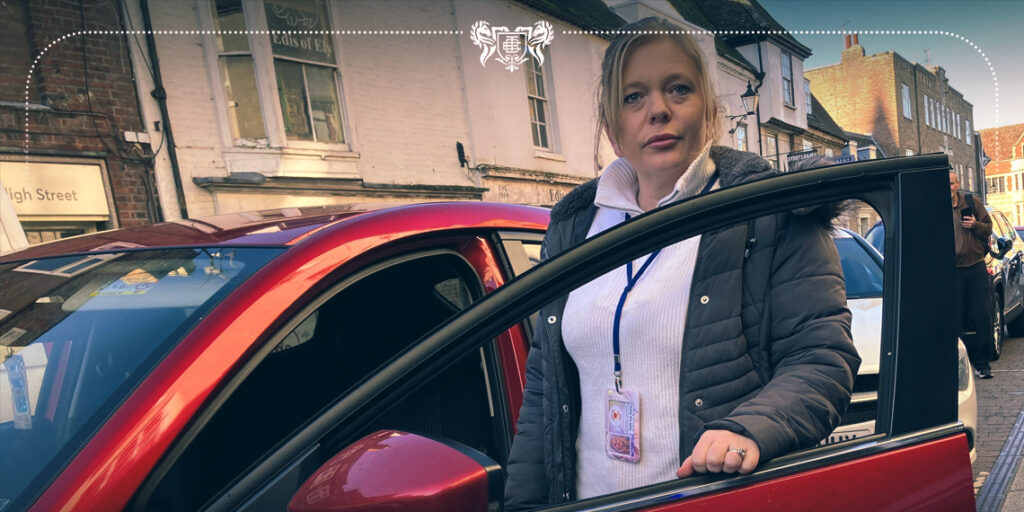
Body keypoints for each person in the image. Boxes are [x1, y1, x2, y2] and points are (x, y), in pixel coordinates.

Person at [504, 17, 860, 510]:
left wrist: (747, 430)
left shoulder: (768, 213)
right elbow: (545, 390)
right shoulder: (573, 228)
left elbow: (822, 358)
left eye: (678, 89)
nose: (658, 110)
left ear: (709, 110)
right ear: (612, 127)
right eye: (634, 97)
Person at [950, 171, 994, 379]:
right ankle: (957, 364)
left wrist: (975, 225)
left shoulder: (971, 203)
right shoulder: (937, 207)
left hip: (975, 265)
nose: (949, 187)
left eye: (952, 183)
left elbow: (989, 228)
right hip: (952, 270)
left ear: (958, 185)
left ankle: (982, 363)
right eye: (945, 184)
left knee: (982, 316)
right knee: (954, 318)